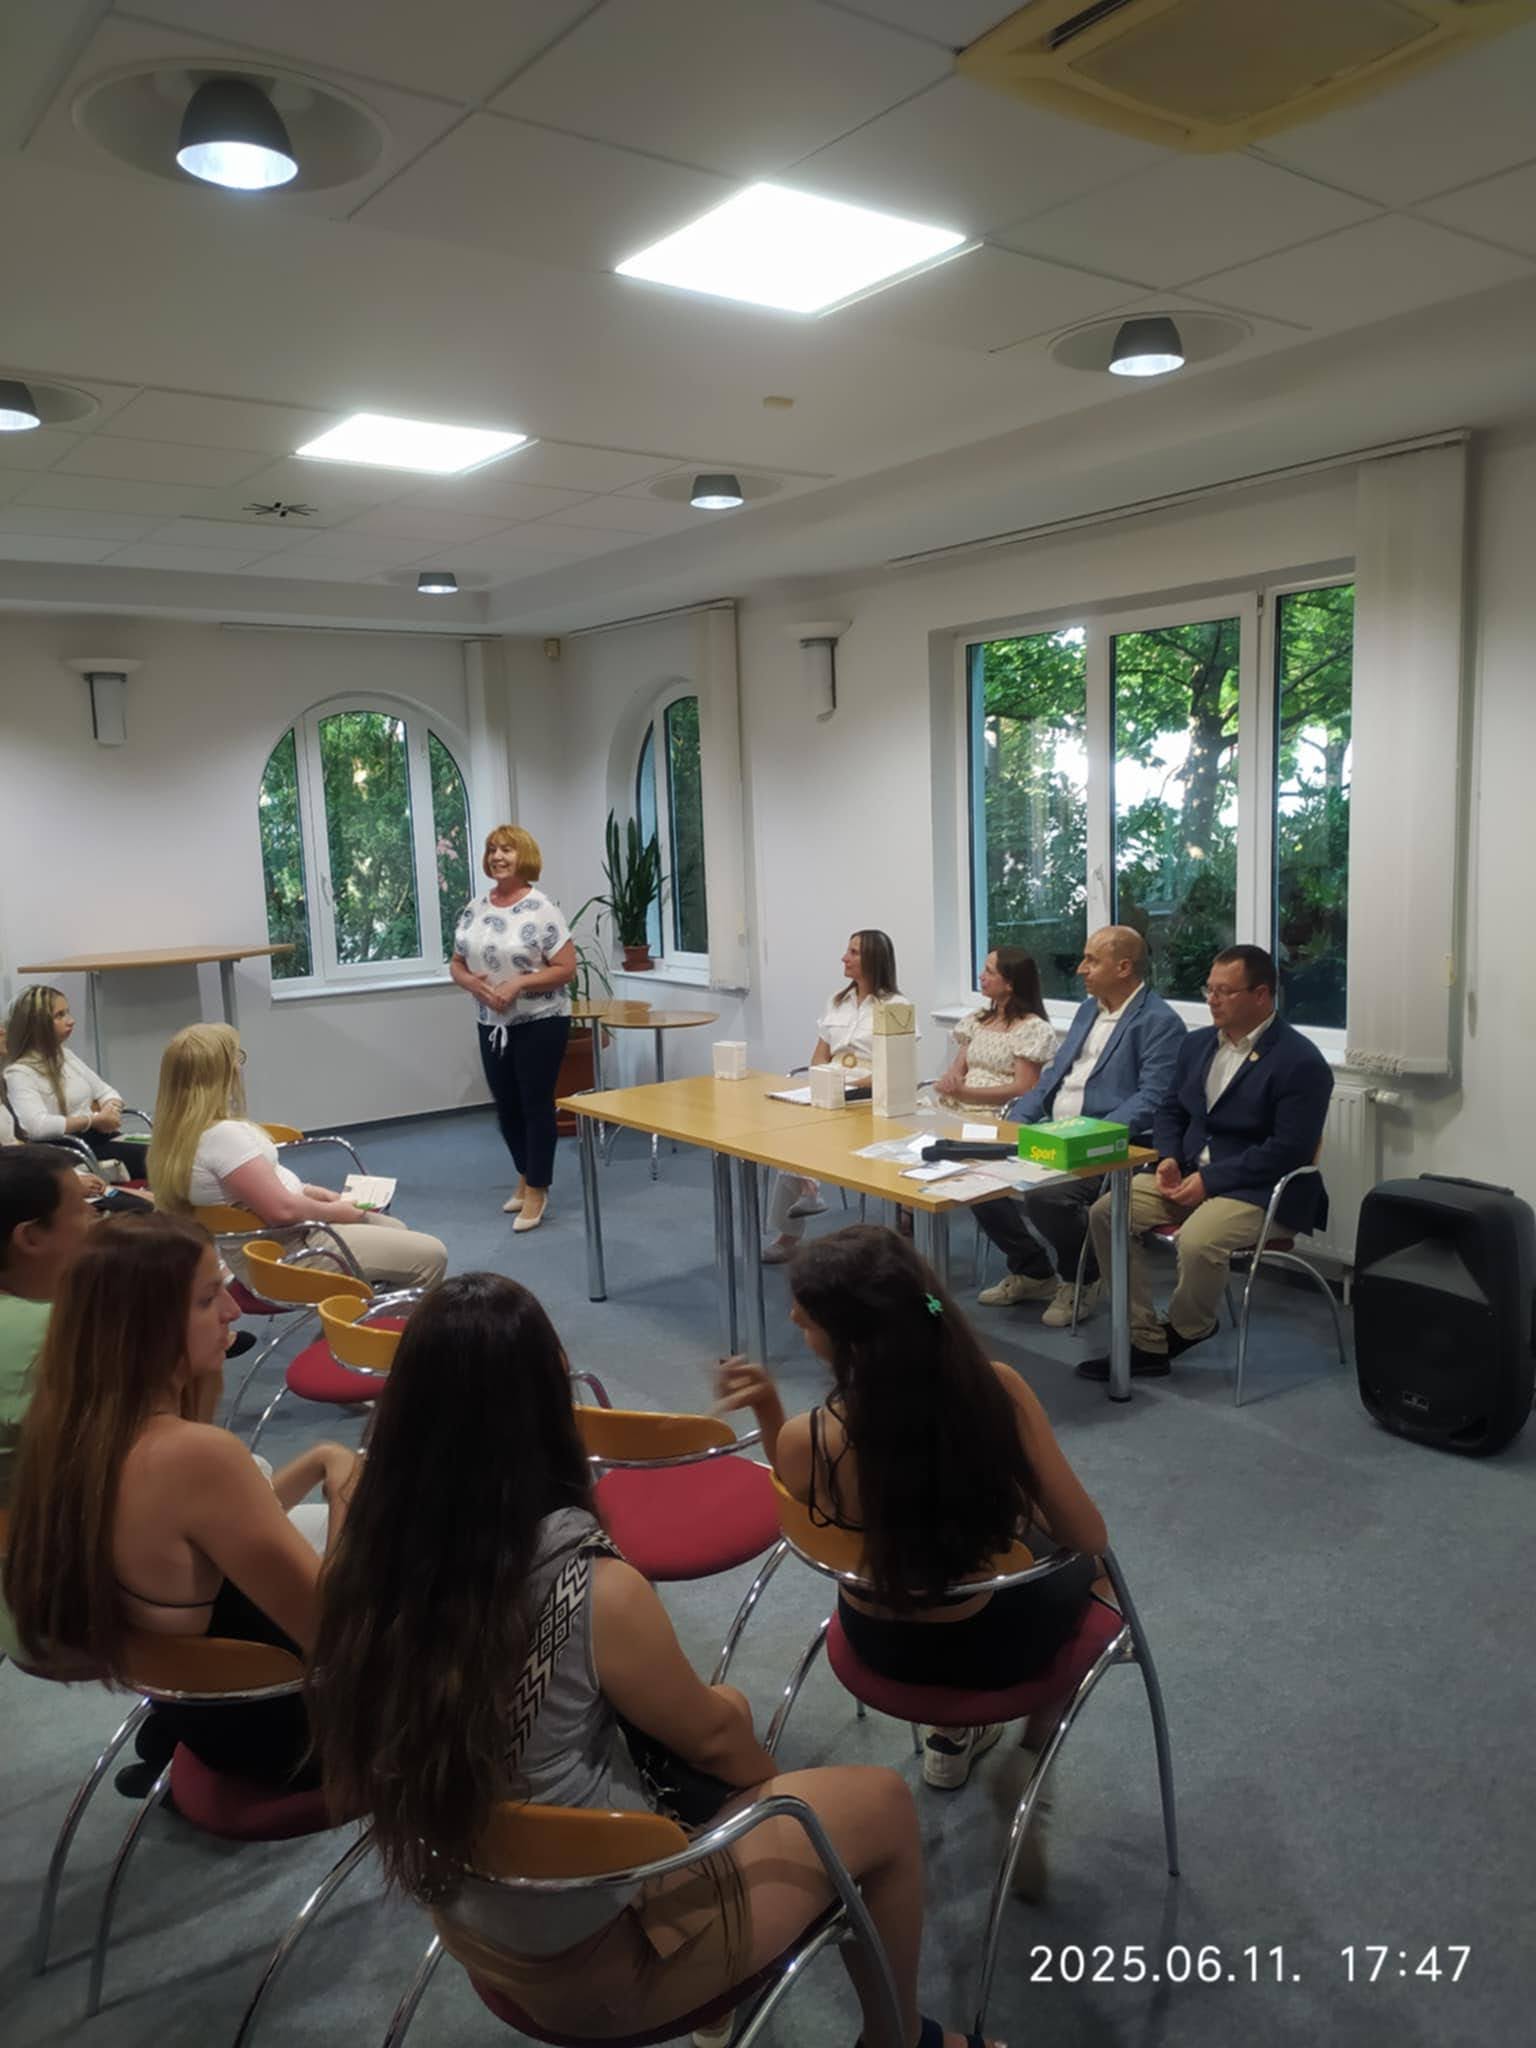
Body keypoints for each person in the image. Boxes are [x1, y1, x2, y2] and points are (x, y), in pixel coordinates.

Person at [307, 1273, 991, 2048]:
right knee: (879, 1805)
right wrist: (768, 1790)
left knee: (715, 1714)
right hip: (603, 1963)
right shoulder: (590, 1587)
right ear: (549, 1401)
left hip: (474, 1922)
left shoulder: (363, 1557)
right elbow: (715, 1744)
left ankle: (727, 1981)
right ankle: (902, 2041)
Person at [716, 1223, 1107, 1855]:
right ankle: (1031, 1753)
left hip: (878, 1641)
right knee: (1096, 1571)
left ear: (851, 1338)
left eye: (807, 1313)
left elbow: (802, 1497)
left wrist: (768, 1409)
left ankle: (950, 1740)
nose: (792, 1317)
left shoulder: (807, 1437)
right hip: (992, 1651)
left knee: (922, 1555)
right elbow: (1086, 1535)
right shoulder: (997, 1391)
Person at [2, 1215, 359, 1786]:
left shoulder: (72, 1431)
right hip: (302, 1731)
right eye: (208, 1299)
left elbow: (215, 1530)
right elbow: (342, 1634)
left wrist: (321, 1457)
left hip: (204, 1713)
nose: (233, 1312)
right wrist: (347, 1495)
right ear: (145, 1328)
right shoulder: (195, 1456)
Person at [1079, 944, 1333, 1382]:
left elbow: (1288, 1150)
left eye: (1224, 992)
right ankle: (1143, 1339)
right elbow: (1170, 1110)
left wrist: (1210, 1180)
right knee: (1107, 1212)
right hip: (1189, 1175)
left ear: (1261, 995)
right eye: (1209, 990)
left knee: (1197, 1240)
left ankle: (1188, 1327)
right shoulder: (1197, 1044)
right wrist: (1168, 1158)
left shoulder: (1301, 1061)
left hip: (1258, 1189)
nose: (1212, 1000)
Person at [976, 927, 1186, 1326]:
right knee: (978, 1176)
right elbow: (1053, 1077)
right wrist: (1016, 1124)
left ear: (1124, 967)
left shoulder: (1159, 1022)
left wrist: (1086, 1136)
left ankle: (1083, 1276)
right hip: (1056, 1132)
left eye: (1091, 960)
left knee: (1047, 1197)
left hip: (1112, 1144)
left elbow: (1151, 1099)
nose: (1080, 969)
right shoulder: (1088, 1010)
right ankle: (1033, 1269)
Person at [148, 1022, 446, 1291]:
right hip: (291, 1249)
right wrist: (338, 1211)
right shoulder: (221, 1137)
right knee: (431, 1255)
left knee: (395, 1231)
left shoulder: (178, 1134)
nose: (239, 1066)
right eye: (235, 1058)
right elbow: (282, 1211)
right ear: (219, 1074)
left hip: (265, 1246)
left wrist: (312, 1192)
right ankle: (370, 1332)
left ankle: (351, 1321)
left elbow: (260, 1191)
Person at [450, 825, 577, 1236]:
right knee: (506, 1106)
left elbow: (567, 969)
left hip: (541, 1021)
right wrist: (471, 984)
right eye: (492, 850)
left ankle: (538, 1188)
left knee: (535, 1105)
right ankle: (524, 1173)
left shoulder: (541, 908)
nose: (498, 856)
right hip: (491, 1023)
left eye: (507, 849)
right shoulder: (476, 907)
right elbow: (456, 963)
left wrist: (520, 983)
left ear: (524, 856)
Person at [763, 930, 912, 1264]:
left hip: (869, 1091)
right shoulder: (837, 1001)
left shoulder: (896, 1007)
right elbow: (820, 1054)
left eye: (853, 952)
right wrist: (823, 1079)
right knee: (786, 1127)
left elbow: (895, 1068)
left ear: (873, 958)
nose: (844, 958)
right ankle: (804, 1198)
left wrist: (848, 1085)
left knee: (804, 1131)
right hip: (831, 1083)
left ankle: (801, 1206)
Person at [0, 1147, 94, 1507]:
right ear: (31, 1237)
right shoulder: (59, 1332)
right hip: (40, 1533)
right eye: (82, 1209)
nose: (95, 1217)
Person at [4, 985, 145, 1181]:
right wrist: (93, 1120)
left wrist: (110, 1111)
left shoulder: (66, 1056)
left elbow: (108, 1092)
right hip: (68, 1149)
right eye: (59, 1015)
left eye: (67, 1012)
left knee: (164, 1151)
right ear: (37, 1024)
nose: (71, 1021)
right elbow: (35, 1126)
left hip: (97, 1137)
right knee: (154, 1159)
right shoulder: (19, 1073)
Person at [933, 948, 1057, 1111]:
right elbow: (957, 1069)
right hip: (959, 1104)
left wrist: (967, 1094)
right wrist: (950, 1081)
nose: (981, 976)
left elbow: (1023, 1088)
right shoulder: (977, 1020)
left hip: (995, 1112)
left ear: (1009, 984)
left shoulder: (1032, 1029)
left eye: (989, 972)